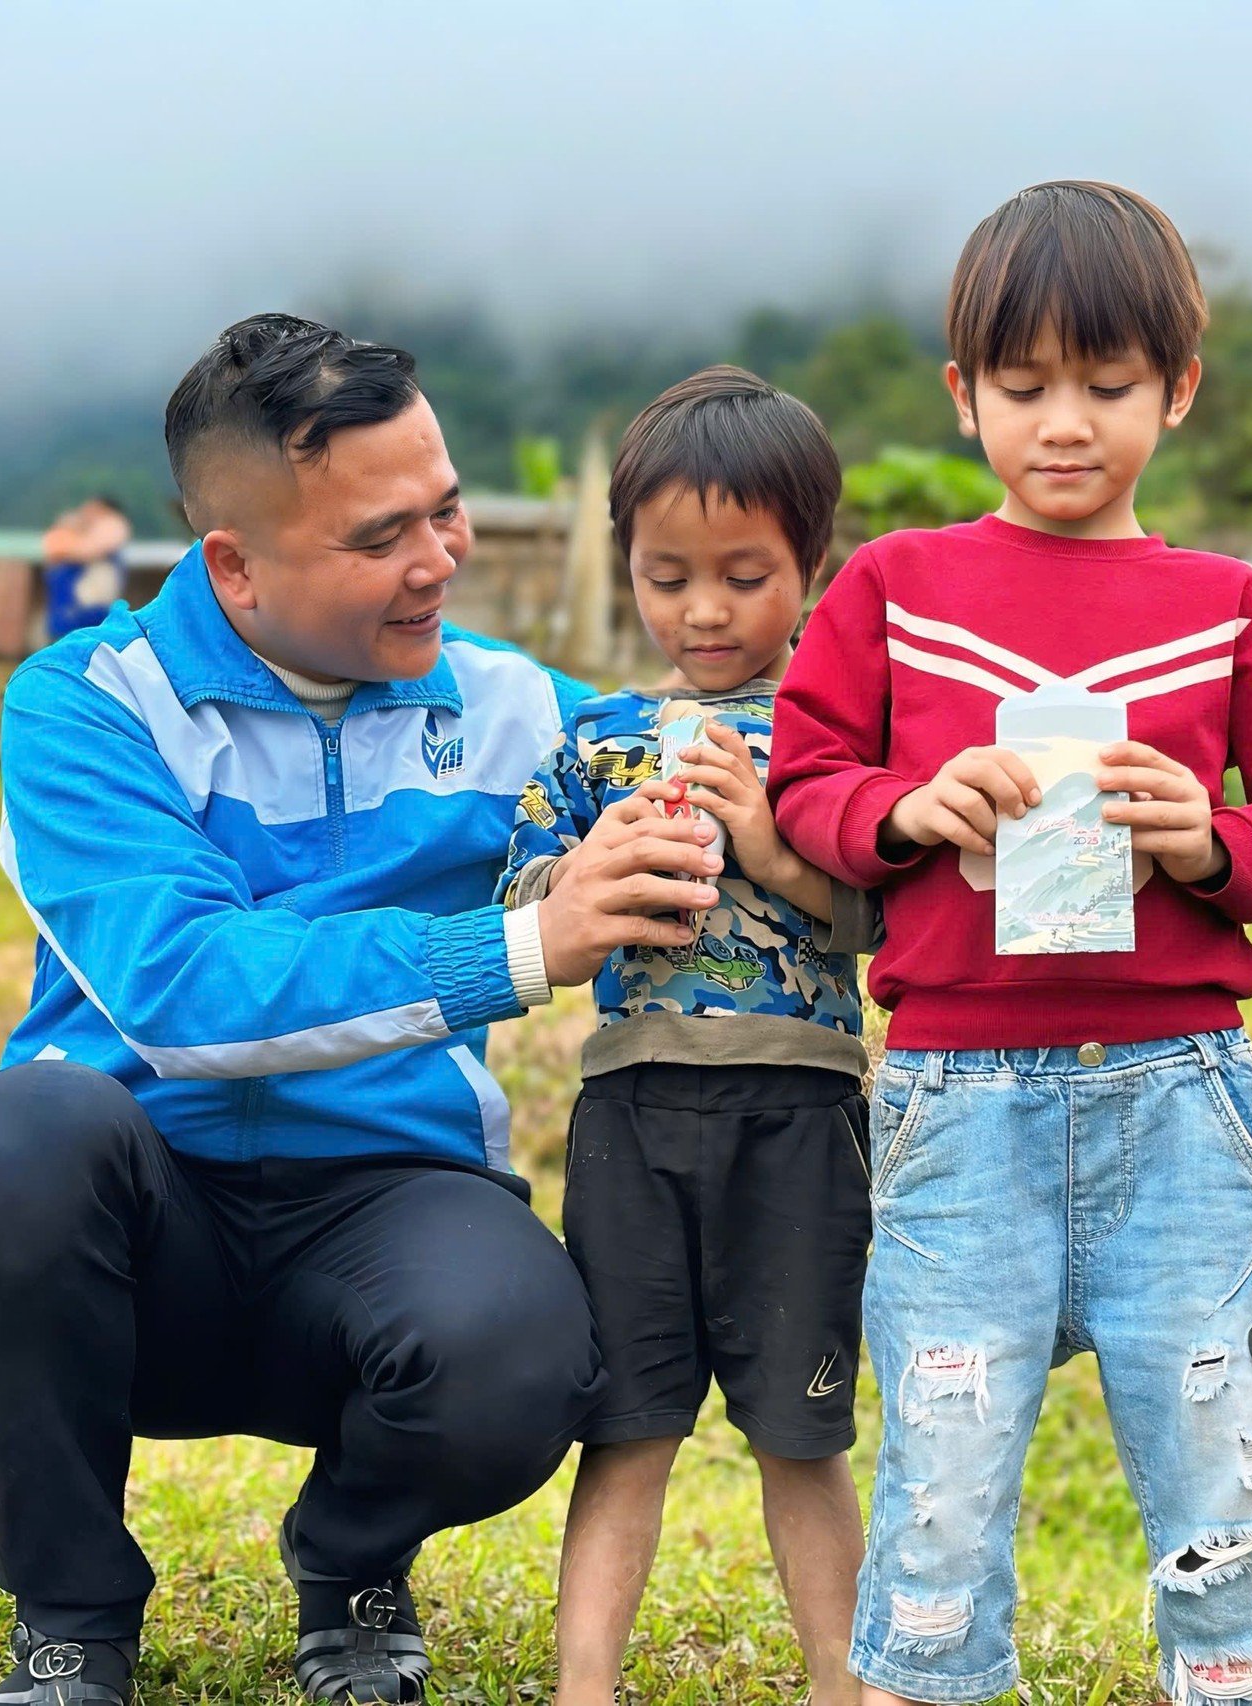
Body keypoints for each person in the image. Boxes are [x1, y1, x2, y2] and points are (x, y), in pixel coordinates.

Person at [0, 314, 728, 1706]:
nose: (438, 562)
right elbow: (181, 983)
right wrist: (524, 939)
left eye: (447, 507)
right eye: (378, 540)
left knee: (523, 1349)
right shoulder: (87, 704)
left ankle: (350, 1557)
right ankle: (71, 1616)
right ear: (231, 564)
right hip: (135, 1228)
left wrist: (908, 785)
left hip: (385, 1205)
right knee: (17, 1142)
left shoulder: (511, 703)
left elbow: (732, 747)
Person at [768, 182, 1252, 1706]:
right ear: (962, 393)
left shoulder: (1226, 608)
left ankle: (1241, 1682)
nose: (1063, 423)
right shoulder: (894, 591)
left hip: (1178, 1100)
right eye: (1024, 386)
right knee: (944, 1466)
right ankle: (923, 1683)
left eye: (1105, 387)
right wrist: (910, 809)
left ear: (1174, 389)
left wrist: (1207, 841)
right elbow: (809, 783)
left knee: (1219, 1456)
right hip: (956, 1105)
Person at [497, 368, 880, 1706]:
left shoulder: (841, 741)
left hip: (800, 1117)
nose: (703, 611)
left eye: (742, 574)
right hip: (632, 1113)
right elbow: (522, 918)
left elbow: (878, 925)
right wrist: (592, 867)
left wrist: (772, 833)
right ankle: (581, 1688)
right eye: (667, 577)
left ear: (809, 565)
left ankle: (843, 1679)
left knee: (801, 1430)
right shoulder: (597, 741)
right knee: (628, 1426)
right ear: (627, 571)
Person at [40, 493, 133, 637]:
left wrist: (68, 552)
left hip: (91, 590)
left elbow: (90, 551)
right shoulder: (88, 525)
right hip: (75, 594)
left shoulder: (112, 524)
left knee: (84, 628)